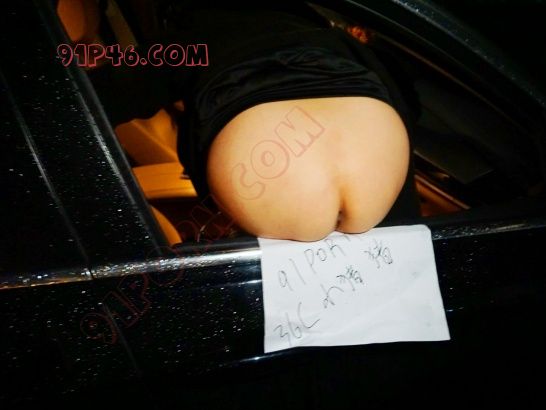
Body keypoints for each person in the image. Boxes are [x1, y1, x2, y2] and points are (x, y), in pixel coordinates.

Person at [89, 0, 420, 241]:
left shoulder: (190, 41)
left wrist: (80, 54)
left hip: (273, 180)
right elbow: (407, 98)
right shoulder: (332, 36)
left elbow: (99, 92)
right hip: (375, 157)